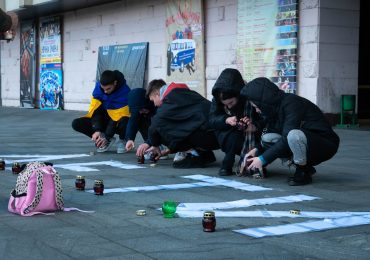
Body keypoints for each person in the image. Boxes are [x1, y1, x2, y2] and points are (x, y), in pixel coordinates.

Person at [241, 77, 340, 186]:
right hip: (308, 141)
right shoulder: (274, 109)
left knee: (293, 135)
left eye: (256, 106)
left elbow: (287, 137)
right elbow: (271, 131)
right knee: (268, 138)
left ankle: (303, 171)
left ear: (263, 102)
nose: (257, 110)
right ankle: (305, 166)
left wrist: (262, 159)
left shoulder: (292, 103)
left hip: (325, 143)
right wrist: (256, 149)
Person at [136, 79, 218, 168]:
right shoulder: (184, 93)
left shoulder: (170, 100)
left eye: (153, 100)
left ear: (157, 94)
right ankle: (204, 154)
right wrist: (170, 149)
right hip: (217, 134)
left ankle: (196, 156)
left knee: (164, 130)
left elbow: (155, 126)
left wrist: (152, 144)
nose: (154, 105)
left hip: (209, 135)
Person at [209, 68, 263, 176]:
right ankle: (227, 164)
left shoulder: (250, 96)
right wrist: (226, 120)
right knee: (233, 136)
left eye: (231, 102)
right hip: (227, 135)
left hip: (252, 135)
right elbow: (212, 120)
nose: (229, 106)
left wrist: (254, 126)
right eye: (225, 104)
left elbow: (264, 119)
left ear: (238, 94)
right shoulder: (217, 98)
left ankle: (253, 163)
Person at [72, 70, 131, 153]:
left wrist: (107, 136)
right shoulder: (98, 89)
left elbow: (116, 118)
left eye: (108, 89)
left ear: (115, 83)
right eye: (103, 89)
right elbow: (96, 112)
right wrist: (97, 130)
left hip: (118, 122)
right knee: (76, 123)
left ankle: (123, 140)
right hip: (105, 118)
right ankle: (102, 138)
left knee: (125, 119)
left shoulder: (125, 92)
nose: (105, 92)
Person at [124, 88, 156, 152]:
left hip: (165, 134)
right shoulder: (137, 111)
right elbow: (132, 124)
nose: (140, 112)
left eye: (142, 109)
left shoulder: (157, 107)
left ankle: (155, 144)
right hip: (151, 136)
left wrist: (149, 143)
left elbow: (160, 127)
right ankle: (151, 144)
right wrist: (130, 139)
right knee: (138, 120)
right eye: (138, 110)